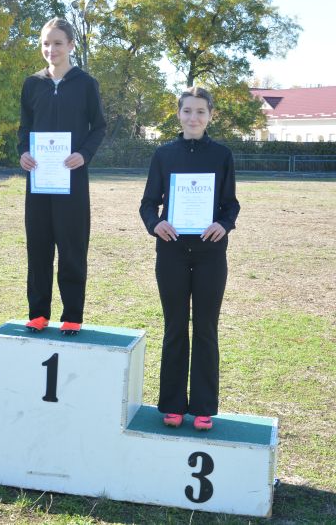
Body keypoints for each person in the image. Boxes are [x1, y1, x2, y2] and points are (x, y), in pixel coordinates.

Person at [138, 87, 239, 431]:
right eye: (187, 111)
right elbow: (148, 203)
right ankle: (172, 404)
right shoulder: (163, 155)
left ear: (210, 116)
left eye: (200, 112)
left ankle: (204, 407)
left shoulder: (222, 155)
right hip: (172, 252)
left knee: (206, 328)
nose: (193, 118)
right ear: (178, 114)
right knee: (175, 326)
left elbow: (231, 204)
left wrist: (223, 224)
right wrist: (156, 224)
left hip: (211, 253)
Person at [18, 17, 106, 335]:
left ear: (70, 45)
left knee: (72, 248)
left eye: (57, 43)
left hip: (72, 180)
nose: (51, 49)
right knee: (39, 248)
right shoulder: (32, 84)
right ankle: (38, 313)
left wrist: (84, 154)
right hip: (39, 180)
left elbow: (99, 127)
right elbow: (25, 128)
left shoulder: (86, 84)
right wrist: (23, 152)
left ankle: (72, 315)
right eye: (46, 43)